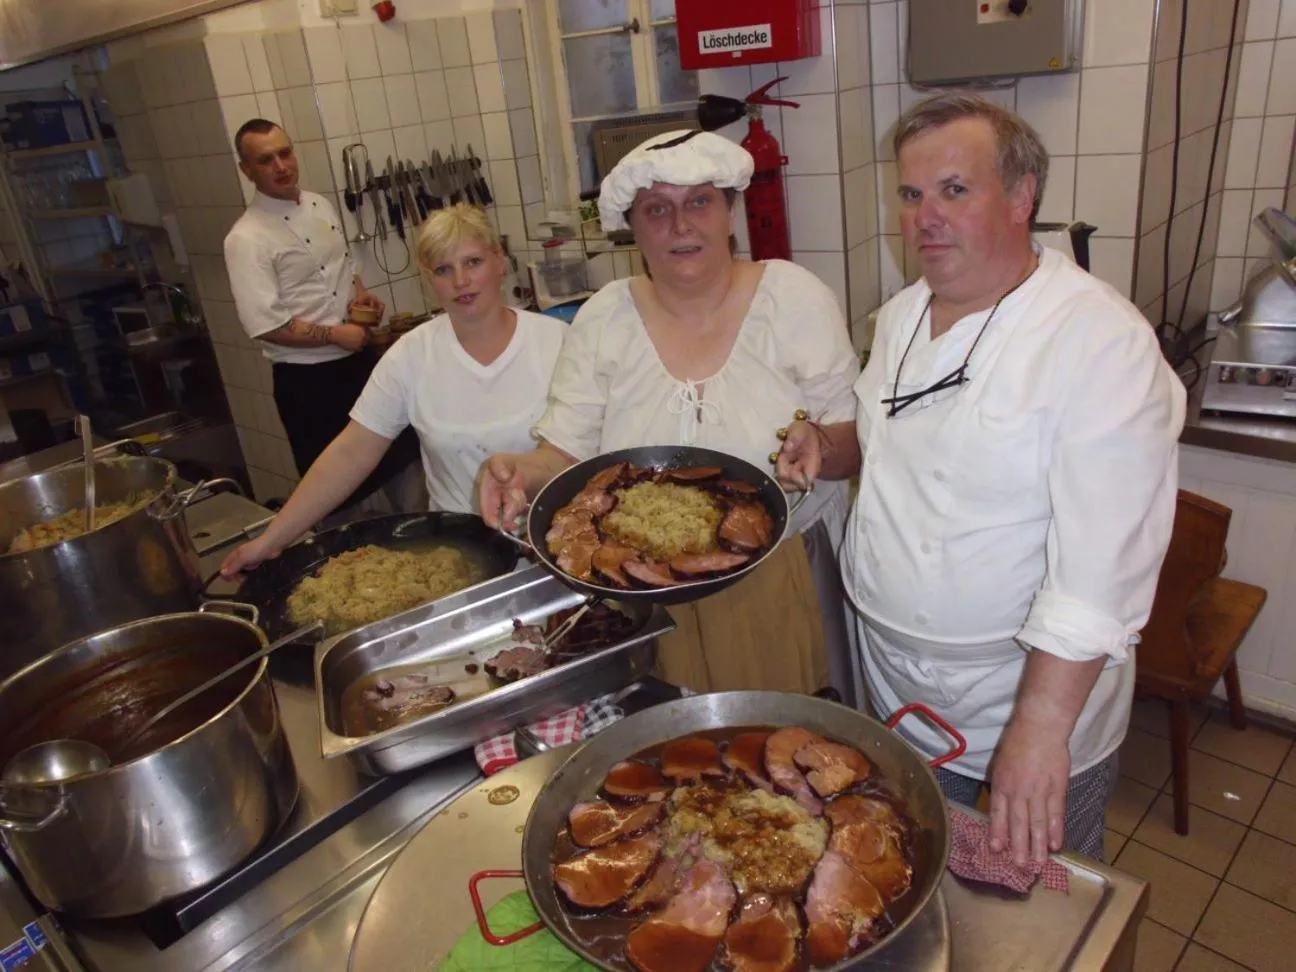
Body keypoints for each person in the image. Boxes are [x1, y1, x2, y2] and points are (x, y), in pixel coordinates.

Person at [779, 93, 1186, 864]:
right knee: (918, 869)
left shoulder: (1098, 343)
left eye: (954, 190)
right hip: (896, 684)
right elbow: (893, 439)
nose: (926, 216)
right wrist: (825, 448)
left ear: (1023, 195)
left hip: (1022, 699)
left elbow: (1099, 575)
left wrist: (1037, 734)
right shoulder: (897, 318)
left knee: (1031, 906)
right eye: (911, 194)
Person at [479, 129, 862, 700]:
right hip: (639, 585)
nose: (680, 226)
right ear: (633, 227)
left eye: (699, 203)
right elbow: (564, 455)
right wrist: (518, 473)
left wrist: (821, 446)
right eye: (657, 209)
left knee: (780, 747)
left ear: (729, 212)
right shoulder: (605, 316)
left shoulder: (794, 298)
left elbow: (857, 445)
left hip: (777, 582)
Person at [221, 203, 566, 577]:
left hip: (560, 544)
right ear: (428, 279)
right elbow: (350, 453)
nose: (461, 282)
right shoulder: (411, 356)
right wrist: (271, 541)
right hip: (465, 559)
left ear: (500, 261)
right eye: (443, 269)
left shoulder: (558, 342)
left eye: (473, 262)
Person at [223, 118, 418, 509]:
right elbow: (266, 325)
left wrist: (363, 302)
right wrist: (335, 334)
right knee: (337, 499)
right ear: (247, 171)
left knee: (406, 466)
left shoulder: (320, 204)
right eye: (265, 160)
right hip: (309, 385)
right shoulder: (245, 239)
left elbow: (343, 270)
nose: (281, 166)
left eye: (285, 153)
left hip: (360, 367)